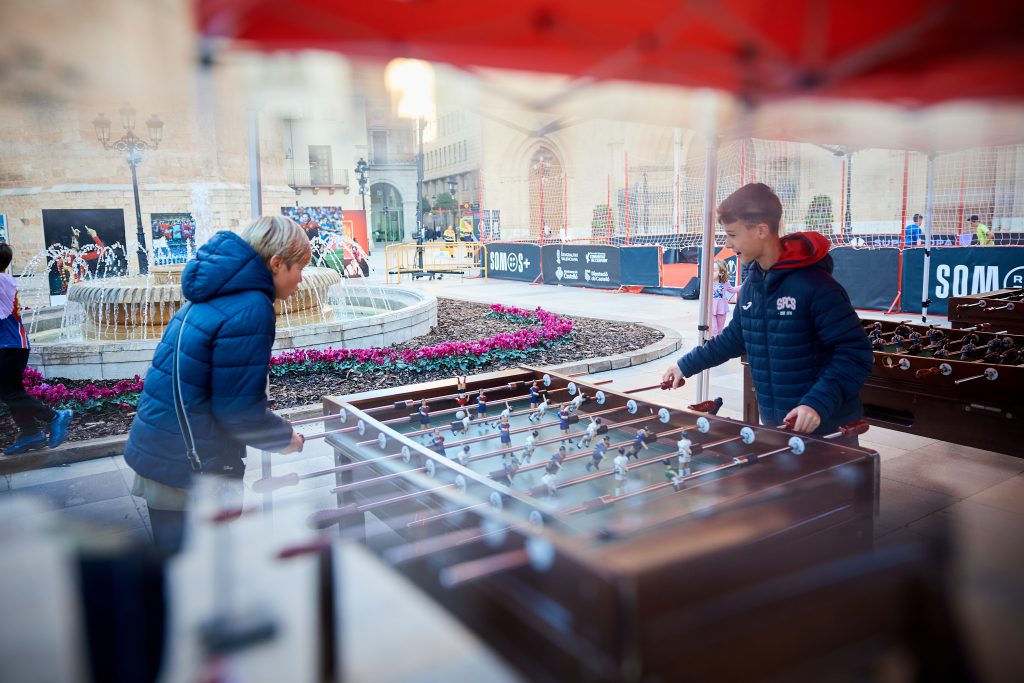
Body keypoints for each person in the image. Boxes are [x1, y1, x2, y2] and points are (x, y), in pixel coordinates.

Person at [124, 216, 307, 556]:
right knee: (197, 580)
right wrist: (284, 438)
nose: (301, 279)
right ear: (277, 263)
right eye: (299, 268)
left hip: (163, 449)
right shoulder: (252, 306)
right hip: (190, 466)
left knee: (178, 574)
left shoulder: (216, 291)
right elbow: (236, 410)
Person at [662, 183, 873, 438]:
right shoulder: (752, 283)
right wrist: (684, 366)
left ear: (761, 230)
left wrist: (816, 403)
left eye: (732, 234)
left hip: (827, 428)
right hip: (779, 424)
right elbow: (735, 337)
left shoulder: (817, 286)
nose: (727, 244)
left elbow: (855, 353)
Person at [1, 242, 73, 455]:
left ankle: (53, 417)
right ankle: (31, 433)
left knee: (8, 391)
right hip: (10, 345)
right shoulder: (5, 279)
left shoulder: (1, 281)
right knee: (11, 392)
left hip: (10, 345)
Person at [711, 261, 739, 336]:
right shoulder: (707, 282)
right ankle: (713, 344)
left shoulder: (725, 282)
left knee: (720, 330)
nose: (711, 272)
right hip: (710, 309)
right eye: (710, 269)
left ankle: (717, 345)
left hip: (721, 309)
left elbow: (732, 290)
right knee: (713, 329)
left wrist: (745, 285)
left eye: (714, 270)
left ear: (721, 272)